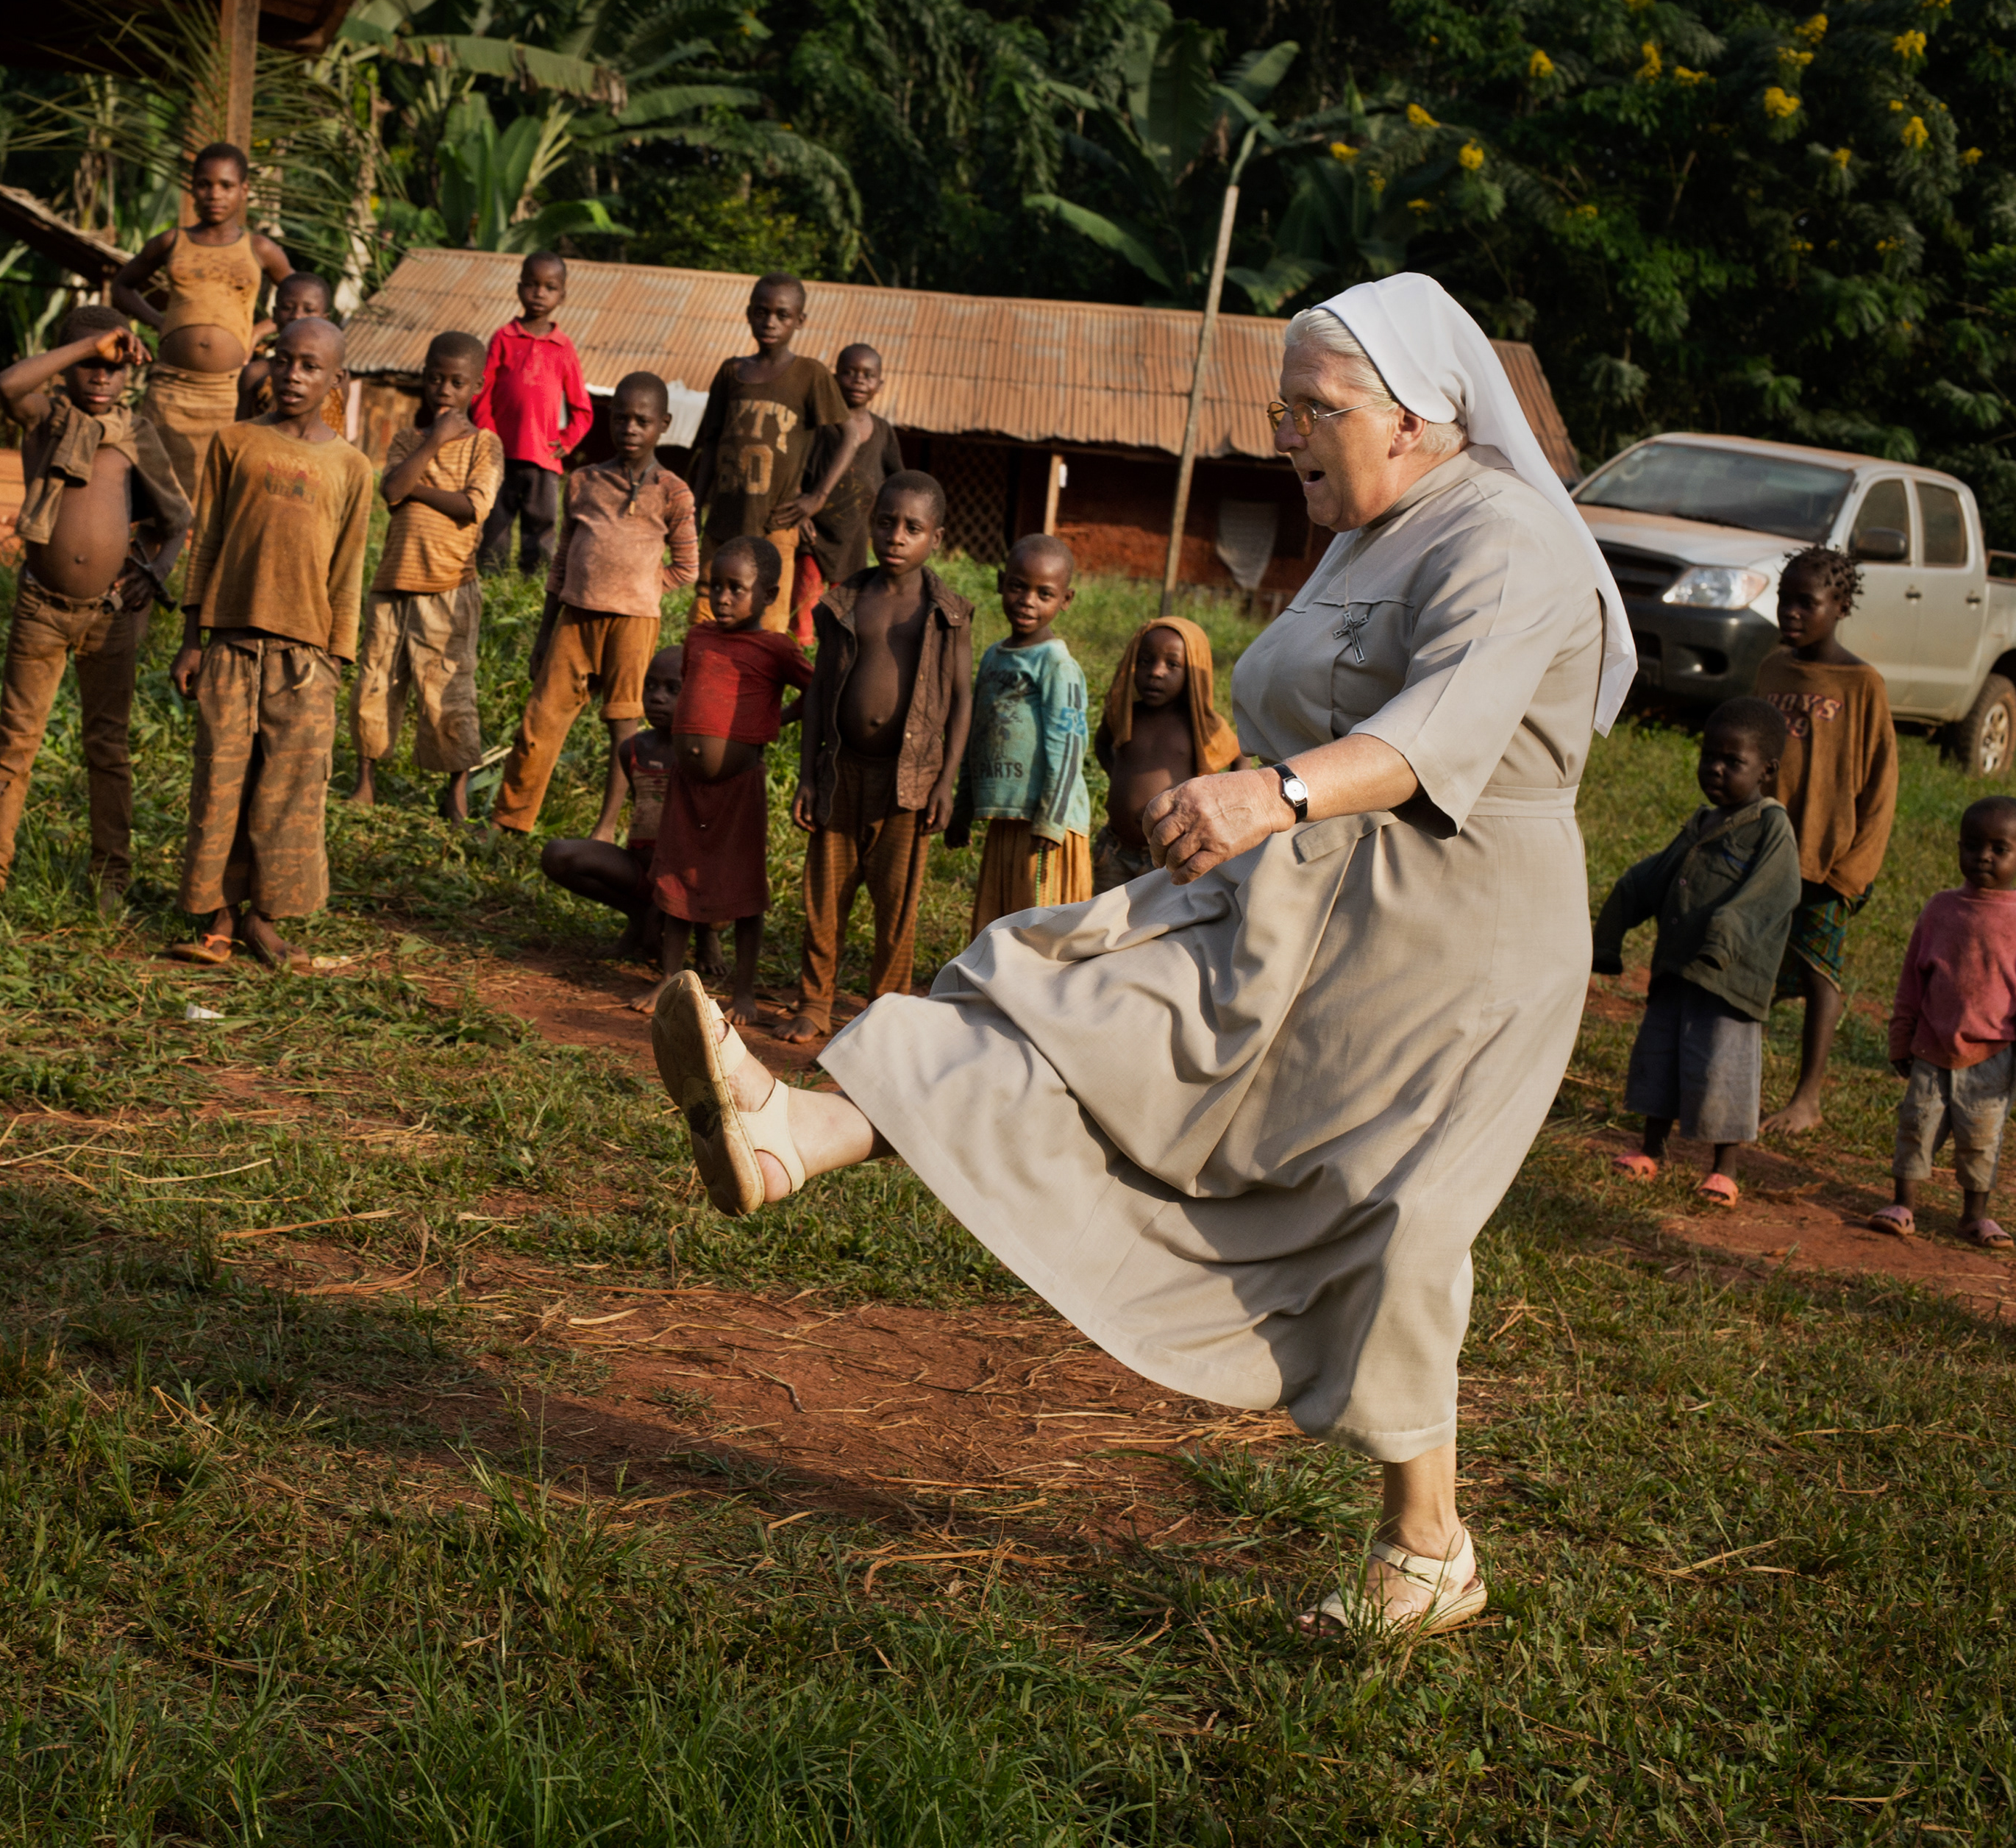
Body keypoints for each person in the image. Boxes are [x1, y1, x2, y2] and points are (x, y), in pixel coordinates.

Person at [639, 271, 1639, 1639]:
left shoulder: (1508, 540)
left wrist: (1272, 796)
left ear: (1416, 418)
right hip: (1297, 892)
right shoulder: (1357, 525)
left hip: (1459, 935)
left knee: (1391, 1214)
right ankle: (795, 1129)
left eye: (1316, 410)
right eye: (1279, 407)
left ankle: (1428, 1547)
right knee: (1067, 988)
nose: (1287, 435)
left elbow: (1434, 731)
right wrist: (1240, 798)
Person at [0, 305, 193, 913]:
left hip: (113, 613)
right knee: (16, 742)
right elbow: (10, 385)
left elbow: (177, 520)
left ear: (132, 376)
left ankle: (111, 876)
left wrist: (156, 572)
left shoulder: (137, 433)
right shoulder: (46, 418)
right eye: (88, 364)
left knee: (108, 746)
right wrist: (94, 341)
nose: (100, 377)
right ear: (66, 365)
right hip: (42, 606)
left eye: (113, 368)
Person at [166, 317, 374, 970]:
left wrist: (337, 659)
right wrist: (191, 640)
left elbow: (349, 569)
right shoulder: (234, 443)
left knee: (290, 790)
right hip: (230, 646)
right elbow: (205, 547)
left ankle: (266, 918)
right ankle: (218, 918)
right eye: (284, 360)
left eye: (310, 366)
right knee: (221, 782)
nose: (292, 375)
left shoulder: (351, 466)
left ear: (336, 380)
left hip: (305, 661)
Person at [777, 474, 975, 1044]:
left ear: (935, 538)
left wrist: (946, 782)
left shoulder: (947, 613)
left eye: (913, 528)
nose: (896, 536)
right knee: (825, 897)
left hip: (907, 784)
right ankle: (814, 1003)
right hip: (841, 774)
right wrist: (808, 773)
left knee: (896, 907)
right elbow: (818, 693)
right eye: (886, 522)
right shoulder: (844, 602)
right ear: (872, 524)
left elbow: (962, 699)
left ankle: (884, 1014)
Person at [1592, 698, 1800, 1206]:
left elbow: (1774, 892)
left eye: (1734, 762)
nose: (1716, 768)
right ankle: (1650, 1149)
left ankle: (1724, 1168)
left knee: (1723, 1067)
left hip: (1729, 981)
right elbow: (1652, 877)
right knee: (1659, 1058)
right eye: (1709, 756)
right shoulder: (1702, 821)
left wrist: (1724, 936)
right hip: (1676, 969)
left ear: (1768, 770)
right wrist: (1610, 933)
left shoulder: (1771, 826)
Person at [486, 373, 697, 837]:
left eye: (643, 420)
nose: (630, 428)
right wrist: (544, 634)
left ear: (664, 424)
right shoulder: (584, 481)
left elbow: (687, 566)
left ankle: (609, 829)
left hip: (634, 626)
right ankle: (509, 820)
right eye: (621, 417)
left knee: (625, 728)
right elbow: (560, 563)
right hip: (574, 619)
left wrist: (642, 587)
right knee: (540, 719)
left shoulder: (673, 491)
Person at [1755, 544, 1901, 1135]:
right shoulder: (1770, 671)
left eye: (1806, 603)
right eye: (1784, 599)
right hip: (1763, 854)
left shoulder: (1864, 685)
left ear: (1839, 607)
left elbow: (1881, 781)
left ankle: (1806, 1097)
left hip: (1825, 860)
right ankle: (1735, 1079)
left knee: (1821, 976)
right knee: (1748, 966)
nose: (1790, 612)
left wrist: (1855, 868)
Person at [652, 538, 812, 1026]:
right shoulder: (699, 637)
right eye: (715, 587)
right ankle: (668, 981)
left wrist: (772, 722)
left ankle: (743, 992)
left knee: (744, 884)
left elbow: (817, 688)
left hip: (740, 784)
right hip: (686, 783)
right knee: (678, 873)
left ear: (768, 594)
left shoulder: (776, 648)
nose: (722, 598)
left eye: (736, 589)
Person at [352, 332, 503, 821]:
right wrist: (434, 440)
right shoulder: (406, 439)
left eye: (457, 382)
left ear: (476, 387)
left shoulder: (486, 444)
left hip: (449, 586)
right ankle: (365, 781)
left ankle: (455, 792)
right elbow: (391, 489)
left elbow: (473, 507)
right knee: (375, 683)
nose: (444, 389)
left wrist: (415, 489)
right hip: (392, 582)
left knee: (448, 691)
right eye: (435, 378)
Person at [1865, 795, 2016, 1248]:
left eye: (1999, 848)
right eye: (1972, 845)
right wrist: (1901, 1037)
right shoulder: (1939, 909)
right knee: (1916, 1125)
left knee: (1981, 1138)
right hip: (1931, 1045)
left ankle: (1975, 1215)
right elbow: (1912, 979)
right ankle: (1903, 1204)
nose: (1983, 856)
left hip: (1993, 1053)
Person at [110, 143, 295, 499]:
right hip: (171, 390)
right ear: (192, 188)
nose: (214, 194)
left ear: (244, 190)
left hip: (229, 393)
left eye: (226, 185)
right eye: (204, 184)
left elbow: (303, 303)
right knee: (155, 496)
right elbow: (122, 286)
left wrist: (258, 331)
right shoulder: (171, 241)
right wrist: (158, 321)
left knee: (220, 496)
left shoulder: (259, 249)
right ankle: (155, 556)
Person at [686, 273, 846, 635]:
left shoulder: (810, 374)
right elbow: (711, 443)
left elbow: (849, 434)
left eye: (782, 315)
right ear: (748, 313)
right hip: (724, 521)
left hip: (775, 523)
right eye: (762, 312)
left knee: (768, 622)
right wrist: (695, 506)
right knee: (707, 612)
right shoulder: (731, 372)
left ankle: (758, 690)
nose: (770, 322)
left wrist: (817, 497)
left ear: (799, 321)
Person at [950, 534, 1091, 939]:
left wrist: (1050, 821)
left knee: (1041, 933)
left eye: (1044, 593)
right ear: (999, 582)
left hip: (1047, 825)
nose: (1028, 600)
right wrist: (963, 809)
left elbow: (1068, 747)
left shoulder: (1057, 663)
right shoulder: (994, 656)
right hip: (1006, 818)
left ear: (1065, 600)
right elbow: (976, 738)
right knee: (996, 926)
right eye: (1018, 586)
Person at [538, 645, 687, 962]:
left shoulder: (696, 756)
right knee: (557, 854)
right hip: (641, 870)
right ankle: (639, 914)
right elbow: (642, 815)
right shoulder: (633, 749)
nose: (657, 697)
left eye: (673, 689)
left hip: (686, 882)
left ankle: (703, 941)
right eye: (650, 686)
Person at [1093, 616, 1244, 889]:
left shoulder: (1199, 726)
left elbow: (1239, 754)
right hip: (1115, 851)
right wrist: (1119, 778)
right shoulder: (1127, 716)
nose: (1156, 672)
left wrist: (1226, 805)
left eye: (1172, 664)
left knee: (1157, 928)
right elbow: (1102, 743)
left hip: (1169, 859)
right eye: (1146, 661)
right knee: (1102, 925)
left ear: (1193, 674)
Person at [474, 251, 591, 577]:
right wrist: (489, 435)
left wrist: (566, 442)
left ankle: (533, 585)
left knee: (540, 528)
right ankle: (491, 583)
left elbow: (582, 408)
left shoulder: (563, 347)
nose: (540, 293)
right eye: (532, 285)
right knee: (496, 523)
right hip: (501, 455)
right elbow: (481, 393)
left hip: (544, 459)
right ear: (519, 288)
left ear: (562, 295)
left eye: (550, 287)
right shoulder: (503, 337)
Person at [786, 342, 902, 644]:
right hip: (814, 531)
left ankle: (833, 649)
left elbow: (898, 480)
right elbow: (795, 470)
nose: (859, 380)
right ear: (835, 377)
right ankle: (801, 648)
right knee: (805, 595)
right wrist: (800, 514)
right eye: (849, 372)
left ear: (880, 383)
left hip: (853, 535)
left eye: (867, 374)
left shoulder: (883, 432)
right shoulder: (820, 426)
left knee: (845, 601)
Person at [236, 271, 336, 419]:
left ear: (325, 319)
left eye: (308, 310)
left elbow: (341, 437)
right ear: (275, 314)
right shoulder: (255, 374)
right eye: (288, 308)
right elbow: (238, 434)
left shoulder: (336, 377)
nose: (296, 315)